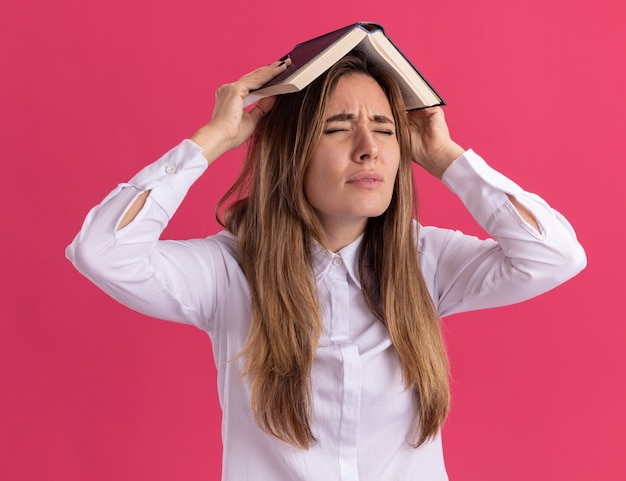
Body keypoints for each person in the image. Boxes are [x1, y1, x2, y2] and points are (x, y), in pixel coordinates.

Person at [66, 51, 586, 480]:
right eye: (339, 128)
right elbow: (104, 252)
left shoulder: (426, 262)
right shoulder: (229, 274)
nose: (369, 150)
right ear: (292, 152)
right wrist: (216, 138)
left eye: (385, 130)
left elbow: (554, 256)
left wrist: (445, 154)